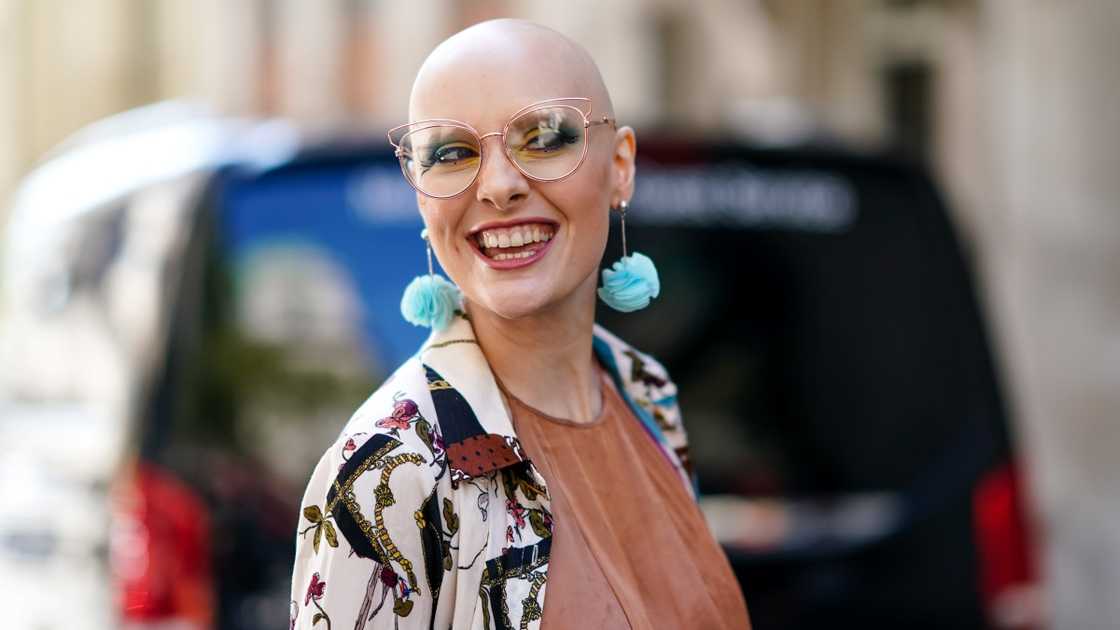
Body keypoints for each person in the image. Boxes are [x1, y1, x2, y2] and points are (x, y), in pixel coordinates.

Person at [289, 18, 751, 630]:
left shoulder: (646, 393)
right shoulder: (389, 469)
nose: (500, 186)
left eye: (544, 138)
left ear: (620, 168)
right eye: (452, 153)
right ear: (423, 197)